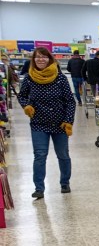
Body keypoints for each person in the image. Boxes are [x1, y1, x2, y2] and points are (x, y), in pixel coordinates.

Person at [18, 47, 75, 200]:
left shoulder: (60, 78)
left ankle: (65, 182)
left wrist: (68, 121)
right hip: (38, 124)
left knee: (63, 155)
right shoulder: (30, 78)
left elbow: (70, 101)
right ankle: (39, 188)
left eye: (44, 57)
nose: (41, 59)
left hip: (60, 123)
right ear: (33, 60)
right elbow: (22, 96)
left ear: (49, 59)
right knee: (40, 155)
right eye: (37, 57)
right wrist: (26, 106)